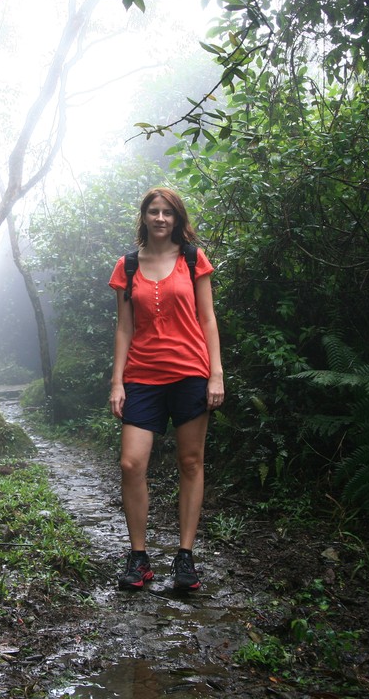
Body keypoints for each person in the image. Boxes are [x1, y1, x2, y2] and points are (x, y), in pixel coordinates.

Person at [108, 187, 223, 591]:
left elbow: (208, 319)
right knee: (131, 463)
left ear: (177, 219)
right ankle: (138, 557)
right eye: (153, 211)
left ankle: (185, 557)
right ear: (144, 216)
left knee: (190, 462)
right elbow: (124, 328)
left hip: (190, 372)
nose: (160, 218)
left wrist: (216, 374)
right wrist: (117, 382)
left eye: (168, 212)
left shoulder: (192, 259)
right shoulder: (128, 265)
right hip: (142, 376)